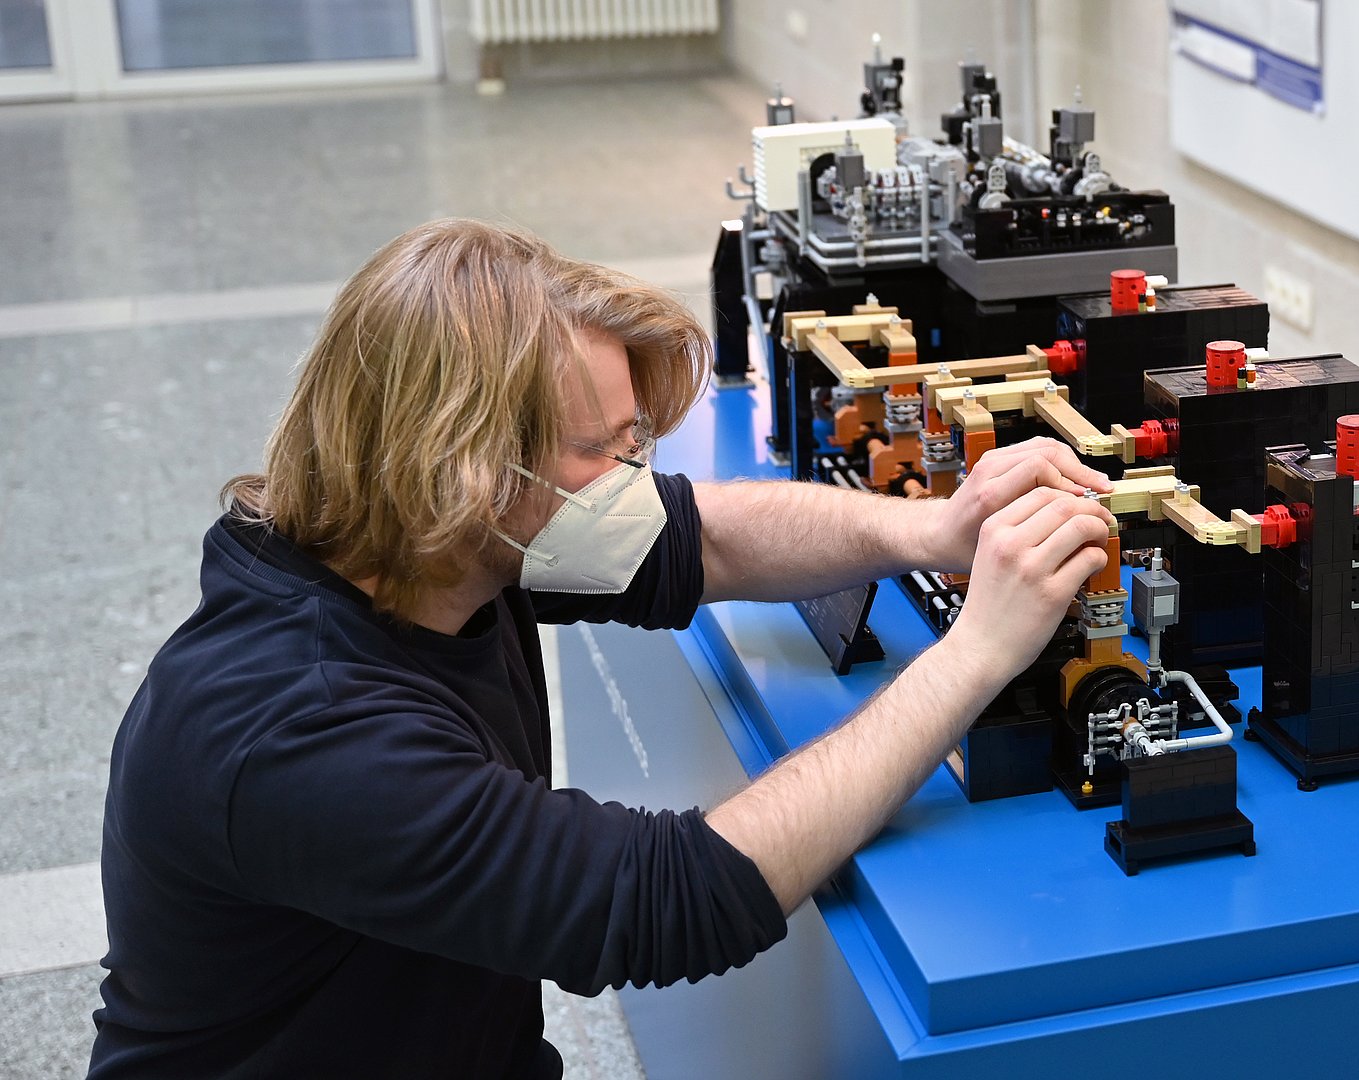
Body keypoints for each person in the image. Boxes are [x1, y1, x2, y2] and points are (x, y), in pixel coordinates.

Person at [88, 219, 1115, 1078]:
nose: (634, 477)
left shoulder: (431, 539)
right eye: (603, 451)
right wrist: (975, 653)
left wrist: (928, 533)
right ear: (465, 471)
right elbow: (673, 900)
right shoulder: (299, 731)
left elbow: (697, 535)